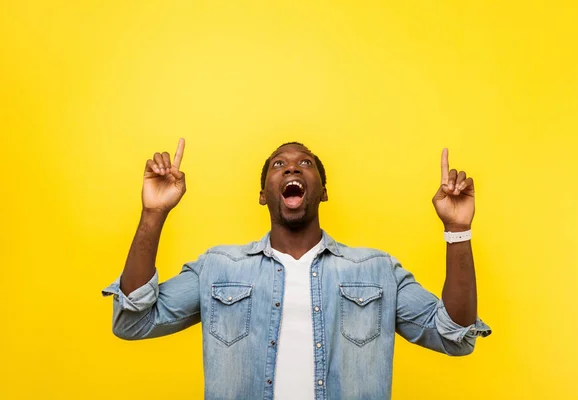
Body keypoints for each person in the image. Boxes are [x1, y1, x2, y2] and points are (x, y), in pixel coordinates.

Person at [102, 139, 491, 400]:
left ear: (322, 190)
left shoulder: (376, 271)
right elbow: (134, 321)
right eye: (279, 165)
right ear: (263, 194)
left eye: (305, 163)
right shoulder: (218, 268)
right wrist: (153, 213)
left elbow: (455, 336)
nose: (292, 169)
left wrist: (457, 230)